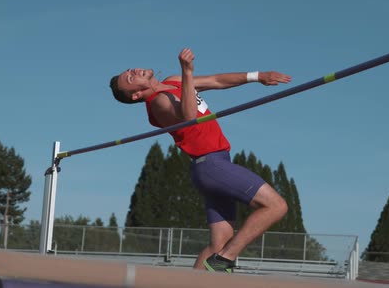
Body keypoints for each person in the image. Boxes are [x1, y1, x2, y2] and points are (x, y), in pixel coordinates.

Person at [109, 48, 291, 273]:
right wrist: (187, 71)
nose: (134, 70)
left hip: (214, 165)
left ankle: (208, 268)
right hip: (211, 165)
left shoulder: (173, 82)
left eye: (130, 70)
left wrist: (257, 76)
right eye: (130, 77)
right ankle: (225, 258)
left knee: (218, 244)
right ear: (136, 94)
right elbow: (189, 117)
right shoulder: (158, 104)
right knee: (276, 206)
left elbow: (216, 80)